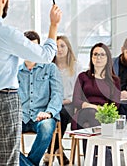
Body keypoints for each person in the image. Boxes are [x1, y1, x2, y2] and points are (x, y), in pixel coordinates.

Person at [0, 0, 61, 165]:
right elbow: (45, 55)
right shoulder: (7, 33)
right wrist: (53, 25)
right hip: (4, 101)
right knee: (8, 161)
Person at [18, 31, 63, 166]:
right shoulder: (15, 70)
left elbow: (57, 94)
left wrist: (48, 113)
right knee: (0, 134)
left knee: (46, 127)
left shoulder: (50, 68)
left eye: (34, 47)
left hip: (43, 116)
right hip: (21, 117)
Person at [72, 42, 121, 165]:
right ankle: (106, 155)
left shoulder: (114, 80)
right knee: (91, 113)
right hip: (83, 113)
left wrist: (102, 112)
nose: (98, 57)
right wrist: (94, 107)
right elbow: (76, 100)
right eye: (95, 54)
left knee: (90, 125)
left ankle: (91, 161)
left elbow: (115, 105)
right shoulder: (83, 77)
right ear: (91, 57)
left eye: (102, 55)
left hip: (104, 118)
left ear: (108, 58)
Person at [44, 35, 83, 165]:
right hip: (52, 104)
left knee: (62, 114)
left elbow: (80, 90)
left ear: (68, 48)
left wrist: (67, 100)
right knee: (51, 119)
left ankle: (49, 153)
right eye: (56, 46)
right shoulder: (49, 67)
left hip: (70, 104)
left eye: (62, 46)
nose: (59, 49)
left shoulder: (76, 66)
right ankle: (61, 155)